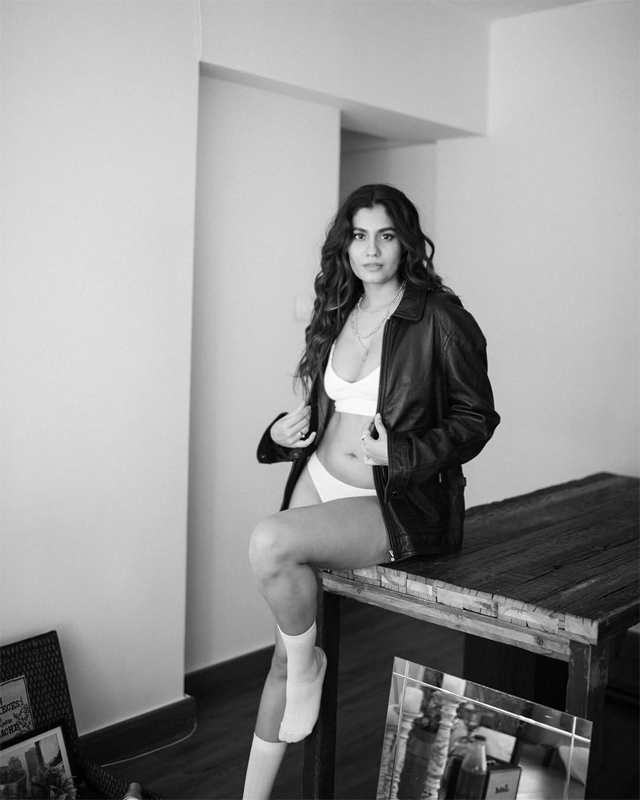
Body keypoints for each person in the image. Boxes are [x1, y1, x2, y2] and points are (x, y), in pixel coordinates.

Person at [242, 184, 500, 799]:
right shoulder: (340, 308)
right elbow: (329, 410)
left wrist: (401, 453)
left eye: (386, 235)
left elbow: (477, 419)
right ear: (346, 245)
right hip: (316, 478)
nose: (372, 250)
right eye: (359, 236)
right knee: (284, 659)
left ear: (406, 242)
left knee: (270, 542)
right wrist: (278, 435)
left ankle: (311, 665)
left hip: (391, 500)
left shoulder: (440, 317)